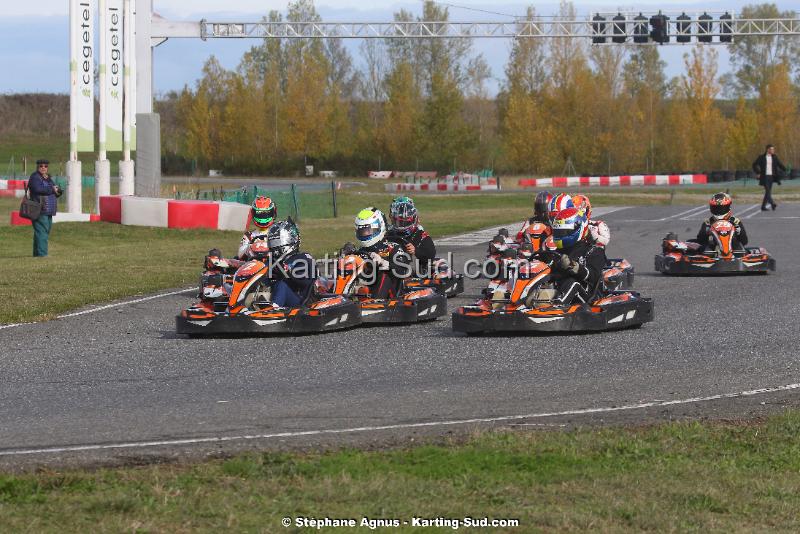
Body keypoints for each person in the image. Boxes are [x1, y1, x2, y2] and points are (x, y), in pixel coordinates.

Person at [550, 207, 607, 305]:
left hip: (587, 297)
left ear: (578, 228)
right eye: (558, 232)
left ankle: (555, 308)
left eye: (564, 232)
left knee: (572, 282)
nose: (560, 235)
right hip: (560, 290)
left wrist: (574, 267)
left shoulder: (594, 251)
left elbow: (593, 276)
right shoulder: (557, 252)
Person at [354, 207, 411, 299]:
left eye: (368, 230)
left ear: (379, 226)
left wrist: (383, 263)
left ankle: (376, 301)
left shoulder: (392, 247)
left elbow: (404, 270)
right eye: (362, 231)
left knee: (384, 274)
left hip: (390, 296)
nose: (365, 234)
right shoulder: (359, 251)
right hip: (363, 289)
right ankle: (336, 297)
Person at [266, 219, 317, 308]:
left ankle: (274, 309)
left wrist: (287, 271)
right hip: (280, 300)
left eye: (277, 242)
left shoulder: (303, 257)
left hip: (301, 301)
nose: (275, 246)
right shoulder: (272, 261)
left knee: (283, 285)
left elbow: (305, 281)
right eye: (273, 243)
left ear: (291, 239)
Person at [27, 159, 62, 257]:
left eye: (45, 166)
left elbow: (55, 190)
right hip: (39, 208)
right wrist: (52, 189)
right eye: (41, 166)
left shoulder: (48, 178)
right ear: (37, 167)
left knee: (43, 231)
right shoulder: (35, 177)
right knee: (42, 231)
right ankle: (42, 255)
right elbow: (37, 189)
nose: (43, 168)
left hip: (48, 209)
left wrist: (58, 190)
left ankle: (37, 254)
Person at [387, 196, 436, 264]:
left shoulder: (420, 235)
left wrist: (415, 251)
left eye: (405, 221)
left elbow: (430, 255)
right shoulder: (388, 233)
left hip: (413, 269)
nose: (402, 225)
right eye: (399, 222)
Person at [752, 144, 786, 211]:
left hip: (771, 177)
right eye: (771, 149)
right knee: (767, 191)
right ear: (768, 149)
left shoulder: (774, 157)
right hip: (764, 177)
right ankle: (772, 203)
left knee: (768, 192)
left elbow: (780, 164)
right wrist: (758, 172)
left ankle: (763, 207)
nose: (773, 150)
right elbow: (754, 164)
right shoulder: (761, 157)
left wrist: (785, 169)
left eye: (773, 149)